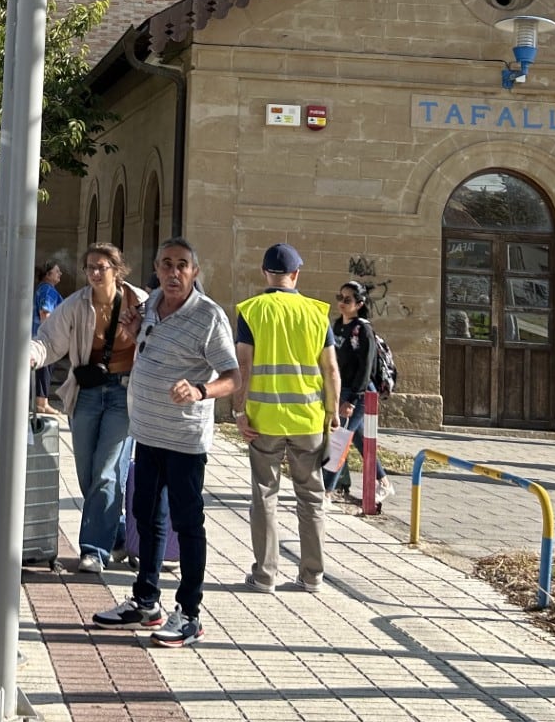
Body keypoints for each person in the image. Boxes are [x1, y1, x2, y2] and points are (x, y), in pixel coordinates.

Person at [92, 238, 238, 648]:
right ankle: (145, 602)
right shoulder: (152, 303)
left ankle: (189, 613)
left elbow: (233, 376)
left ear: (195, 272)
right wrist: (136, 330)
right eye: (167, 265)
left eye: (183, 266)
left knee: (187, 523)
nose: (174, 273)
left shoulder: (208, 317)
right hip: (147, 433)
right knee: (145, 516)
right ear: (156, 268)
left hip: (185, 439)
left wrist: (200, 389)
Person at [29, 245, 148, 572]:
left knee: (107, 471)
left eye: (102, 267)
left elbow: (157, 343)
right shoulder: (76, 304)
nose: (95, 273)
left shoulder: (141, 303)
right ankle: (120, 535)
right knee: (87, 473)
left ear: (117, 270)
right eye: (90, 268)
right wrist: (31, 354)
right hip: (87, 395)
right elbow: (49, 340)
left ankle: (94, 550)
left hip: (125, 396)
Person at [234, 244, 342, 594]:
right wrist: (333, 412)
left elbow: (244, 366)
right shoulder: (316, 312)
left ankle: (265, 576)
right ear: (296, 274)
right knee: (310, 496)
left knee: (264, 496)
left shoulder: (251, 310)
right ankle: (312, 576)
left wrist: (239, 411)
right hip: (308, 420)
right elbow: (330, 369)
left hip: (263, 419)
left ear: (265, 273)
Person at [322, 280, 392, 505]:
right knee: (361, 440)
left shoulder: (363, 329)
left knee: (339, 440)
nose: (342, 303)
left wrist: (352, 400)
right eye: (340, 297)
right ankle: (384, 482)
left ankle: (325, 491)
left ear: (360, 304)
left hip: (359, 394)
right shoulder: (337, 326)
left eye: (348, 300)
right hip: (342, 389)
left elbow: (366, 367)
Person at [32, 262, 65, 416]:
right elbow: (45, 313)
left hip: (37, 334)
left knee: (43, 368)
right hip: (45, 336)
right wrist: (53, 333)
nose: (60, 274)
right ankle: (42, 402)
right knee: (45, 367)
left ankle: (41, 401)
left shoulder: (42, 288)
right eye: (56, 271)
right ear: (48, 274)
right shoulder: (48, 291)